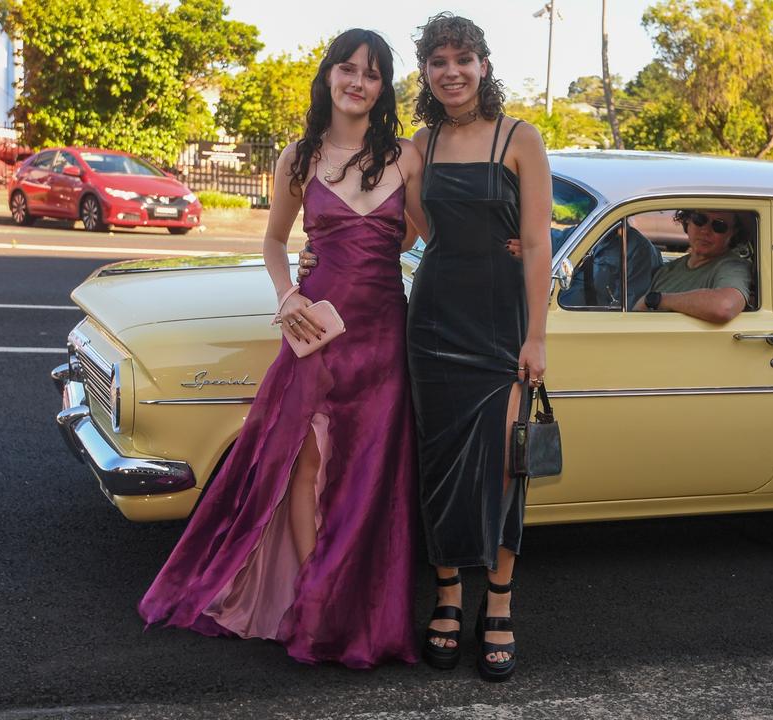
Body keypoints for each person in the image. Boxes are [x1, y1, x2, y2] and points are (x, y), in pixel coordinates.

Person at [138, 29, 427, 669]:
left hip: (382, 339)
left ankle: (341, 596)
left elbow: (426, 235)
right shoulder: (298, 157)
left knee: (367, 470)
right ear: (328, 77)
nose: (358, 82)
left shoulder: (405, 158)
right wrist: (286, 293)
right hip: (312, 333)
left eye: (372, 74)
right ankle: (310, 594)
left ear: (383, 90)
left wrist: (501, 248)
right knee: (303, 462)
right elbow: (273, 242)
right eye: (347, 69)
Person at [299, 13, 550, 682]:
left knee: (504, 466)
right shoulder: (419, 145)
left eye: (462, 58)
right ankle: (447, 598)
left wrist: (536, 336)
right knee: (436, 463)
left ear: (484, 66)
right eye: (438, 61)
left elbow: (538, 244)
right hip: (434, 320)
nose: (451, 71)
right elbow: (400, 229)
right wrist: (318, 255)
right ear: (427, 74)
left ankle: (498, 604)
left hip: (500, 323)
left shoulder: (521, 139)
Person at [632, 209, 753, 323]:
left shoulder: (733, 267)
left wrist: (658, 300)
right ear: (687, 221)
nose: (705, 230)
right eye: (699, 220)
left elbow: (725, 307)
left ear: (733, 233)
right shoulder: (668, 270)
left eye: (719, 226)